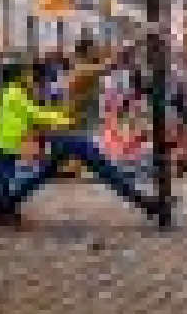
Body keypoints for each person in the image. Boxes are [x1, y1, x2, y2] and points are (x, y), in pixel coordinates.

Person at [8, 38, 162, 219]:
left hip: (66, 133)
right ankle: (146, 204)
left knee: (43, 173)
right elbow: (111, 64)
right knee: (107, 171)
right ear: (86, 52)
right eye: (94, 50)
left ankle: (8, 201)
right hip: (71, 134)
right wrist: (138, 39)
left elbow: (111, 61)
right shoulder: (83, 70)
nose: (97, 53)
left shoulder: (80, 70)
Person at [0, 62, 72, 226]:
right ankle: (1, 212)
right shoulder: (14, 93)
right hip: (6, 142)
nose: (27, 77)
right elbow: (33, 113)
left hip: (4, 141)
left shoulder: (6, 92)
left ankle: (2, 211)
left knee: (3, 177)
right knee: (3, 178)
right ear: (16, 76)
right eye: (24, 74)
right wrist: (62, 120)